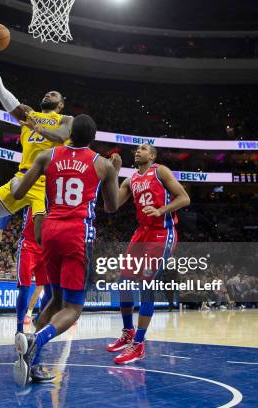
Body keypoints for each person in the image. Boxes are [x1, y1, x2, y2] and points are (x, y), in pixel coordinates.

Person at [10, 114, 121, 385]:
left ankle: (32, 365)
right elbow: (112, 206)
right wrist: (115, 173)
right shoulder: (103, 164)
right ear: (93, 138)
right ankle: (37, 338)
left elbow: (18, 192)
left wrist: (14, 185)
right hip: (77, 234)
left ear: (69, 133)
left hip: (50, 231)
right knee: (73, 308)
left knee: (55, 301)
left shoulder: (48, 155)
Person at [0, 33, 75, 286]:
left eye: (54, 94)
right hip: (23, 177)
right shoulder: (28, 115)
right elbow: (1, 92)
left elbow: (62, 137)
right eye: (47, 92)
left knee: (44, 240)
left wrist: (38, 128)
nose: (49, 94)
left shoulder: (66, 120)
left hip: (46, 185)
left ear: (61, 104)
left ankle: (63, 282)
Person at [106, 144, 190, 364]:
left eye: (143, 149)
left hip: (162, 233)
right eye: (136, 149)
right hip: (141, 234)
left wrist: (161, 210)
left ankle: (139, 344)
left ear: (152, 156)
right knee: (124, 282)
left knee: (146, 284)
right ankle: (128, 333)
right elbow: (111, 206)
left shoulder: (160, 171)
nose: (137, 151)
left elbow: (184, 198)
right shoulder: (130, 180)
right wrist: (114, 173)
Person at [0, 208, 50, 334]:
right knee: (24, 288)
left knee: (50, 290)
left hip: (46, 247)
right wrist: (0, 230)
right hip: (28, 246)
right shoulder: (30, 191)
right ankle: (19, 330)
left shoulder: (54, 195)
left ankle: (39, 317)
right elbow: (9, 208)